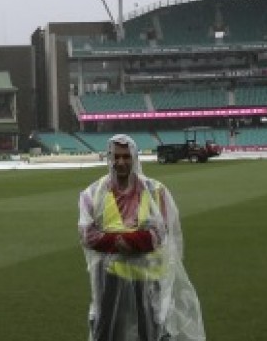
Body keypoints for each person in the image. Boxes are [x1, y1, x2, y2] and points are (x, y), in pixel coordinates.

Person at [78, 134, 205, 341]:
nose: (121, 162)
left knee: (150, 332)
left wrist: (126, 241)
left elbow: (160, 232)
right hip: (109, 278)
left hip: (147, 278)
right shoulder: (93, 193)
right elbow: (87, 234)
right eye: (116, 156)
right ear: (109, 157)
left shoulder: (156, 191)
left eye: (126, 157)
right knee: (106, 332)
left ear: (135, 158)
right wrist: (124, 242)